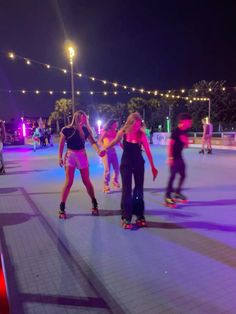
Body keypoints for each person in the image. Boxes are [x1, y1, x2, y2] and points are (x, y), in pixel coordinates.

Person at [104, 112, 158, 229]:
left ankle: (139, 215)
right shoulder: (122, 133)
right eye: (136, 125)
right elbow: (114, 142)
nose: (138, 127)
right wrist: (104, 148)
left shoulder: (141, 135)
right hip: (126, 164)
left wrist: (153, 167)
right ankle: (126, 217)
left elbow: (148, 151)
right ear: (130, 123)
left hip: (139, 163)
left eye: (139, 125)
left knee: (139, 190)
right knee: (127, 191)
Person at [58, 110, 105, 218]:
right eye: (82, 119)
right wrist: (60, 157)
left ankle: (94, 203)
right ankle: (62, 207)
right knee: (69, 182)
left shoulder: (85, 130)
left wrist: (99, 151)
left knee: (86, 180)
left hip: (82, 155)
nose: (84, 121)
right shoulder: (66, 130)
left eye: (85, 120)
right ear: (77, 118)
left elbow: (92, 142)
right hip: (71, 155)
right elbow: (61, 145)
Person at [165, 112, 192, 206]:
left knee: (183, 175)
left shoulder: (185, 131)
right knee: (172, 177)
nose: (190, 124)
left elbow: (186, 146)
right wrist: (170, 158)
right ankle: (167, 197)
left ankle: (177, 193)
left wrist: (186, 142)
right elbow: (169, 145)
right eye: (188, 122)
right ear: (183, 121)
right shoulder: (175, 131)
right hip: (174, 157)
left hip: (180, 157)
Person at [98, 119, 121, 193]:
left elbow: (119, 142)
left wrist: (125, 149)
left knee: (117, 168)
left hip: (113, 152)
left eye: (117, 124)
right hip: (106, 153)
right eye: (115, 124)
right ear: (111, 125)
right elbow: (99, 141)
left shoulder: (115, 133)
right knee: (107, 169)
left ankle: (115, 180)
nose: (116, 125)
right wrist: (104, 146)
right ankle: (106, 185)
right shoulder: (106, 132)